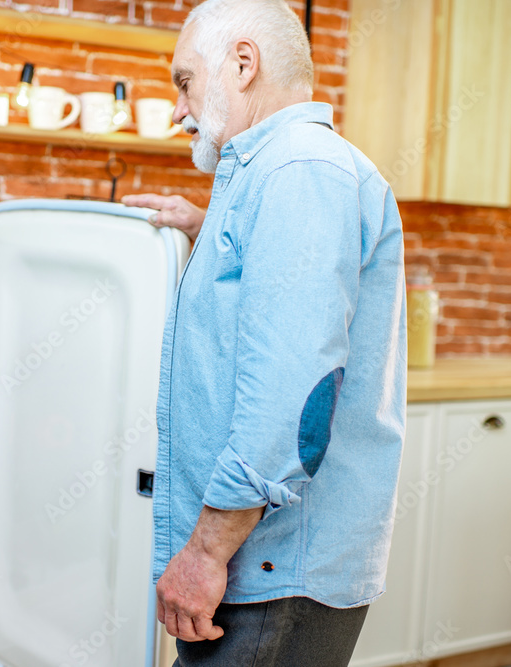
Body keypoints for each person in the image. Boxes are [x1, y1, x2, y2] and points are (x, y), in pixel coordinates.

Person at [121, 0, 407, 665]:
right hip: (267, 561)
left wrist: (205, 551)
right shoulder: (279, 176)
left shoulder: (298, 172)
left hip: (274, 565)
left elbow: (288, 401)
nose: (178, 107)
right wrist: (208, 231)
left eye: (184, 80)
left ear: (242, 64)